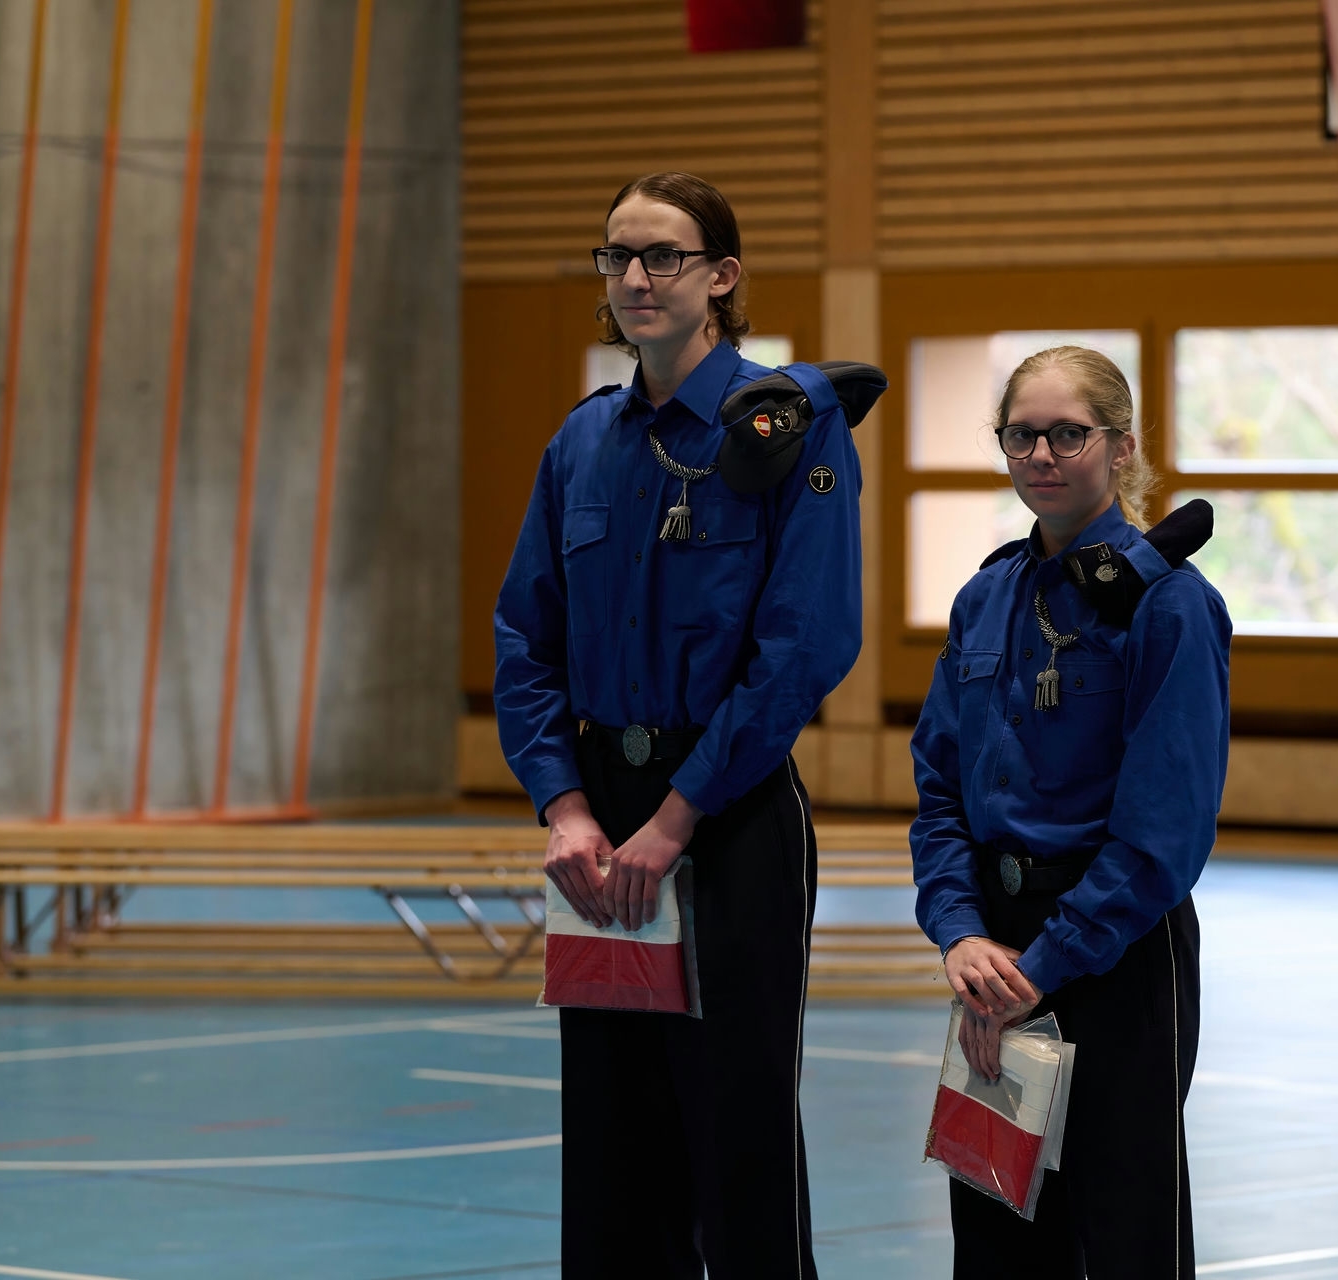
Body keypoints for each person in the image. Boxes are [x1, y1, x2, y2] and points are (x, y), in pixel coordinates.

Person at [493, 171, 865, 1279]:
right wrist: (565, 805)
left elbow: (806, 644)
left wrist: (677, 816)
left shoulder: (789, 429)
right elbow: (525, 634)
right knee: (613, 1145)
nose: (637, 277)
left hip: (729, 814)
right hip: (600, 824)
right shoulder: (583, 442)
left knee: (738, 1136)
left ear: (723, 277)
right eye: (618, 256)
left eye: (663, 255)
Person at [910, 345, 1231, 1278]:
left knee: (1127, 1237)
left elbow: (1164, 833)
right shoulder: (985, 597)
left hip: (1115, 952)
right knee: (997, 1239)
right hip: (993, 950)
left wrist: (1042, 967)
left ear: (1121, 448)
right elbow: (939, 790)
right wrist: (961, 933)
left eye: (1067, 434)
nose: (1041, 455)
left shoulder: (1171, 608)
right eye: (1021, 435)